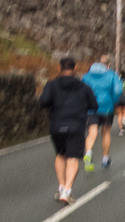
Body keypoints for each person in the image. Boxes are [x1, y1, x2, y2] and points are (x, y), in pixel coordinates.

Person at [39, 57, 98, 204]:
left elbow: (43, 102)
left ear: (59, 68)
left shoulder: (51, 85)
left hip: (57, 125)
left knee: (60, 155)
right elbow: (94, 105)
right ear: (75, 68)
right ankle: (67, 190)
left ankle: (61, 187)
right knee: (73, 159)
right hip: (76, 125)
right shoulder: (83, 87)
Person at [81, 55, 124, 171]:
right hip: (107, 107)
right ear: (108, 65)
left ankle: (89, 152)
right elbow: (118, 90)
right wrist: (114, 101)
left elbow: (81, 90)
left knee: (92, 132)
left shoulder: (86, 76)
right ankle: (105, 159)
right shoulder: (112, 75)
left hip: (91, 108)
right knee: (106, 133)